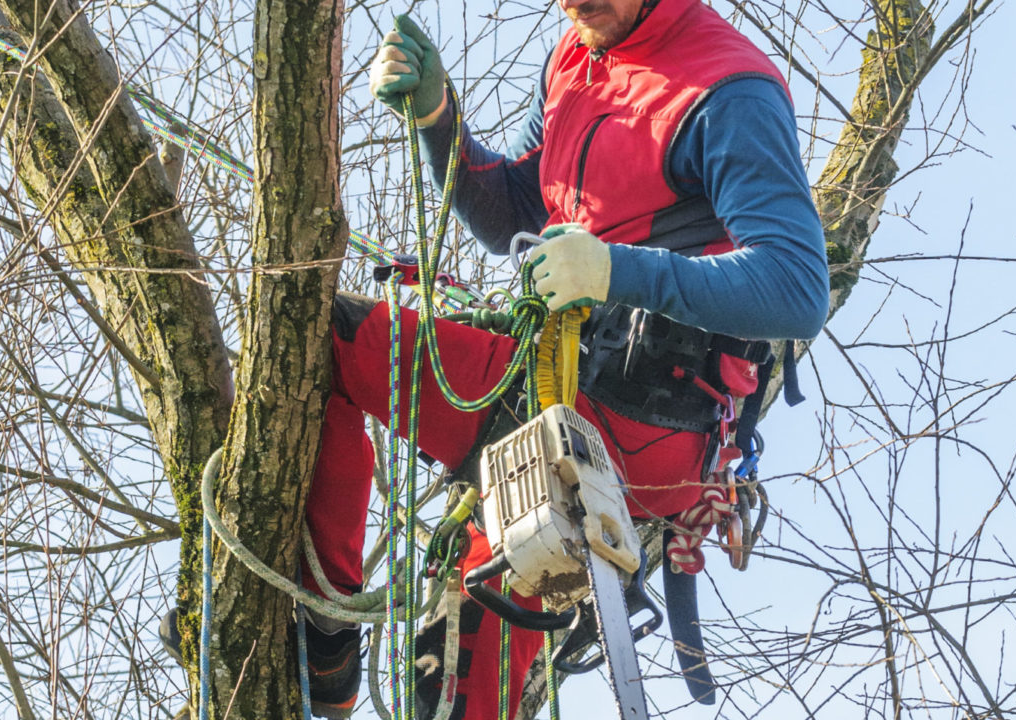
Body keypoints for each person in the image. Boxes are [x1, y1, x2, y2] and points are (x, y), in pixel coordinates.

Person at [300, 0, 830, 717]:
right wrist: (437, 119)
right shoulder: (572, 61)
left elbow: (796, 287)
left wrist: (617, 273)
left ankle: (327, 654)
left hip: (643, 419)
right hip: (551, 388)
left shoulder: (726, 87)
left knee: (335, 339)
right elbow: (512, 207)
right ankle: (325, 646)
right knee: (463, 645)